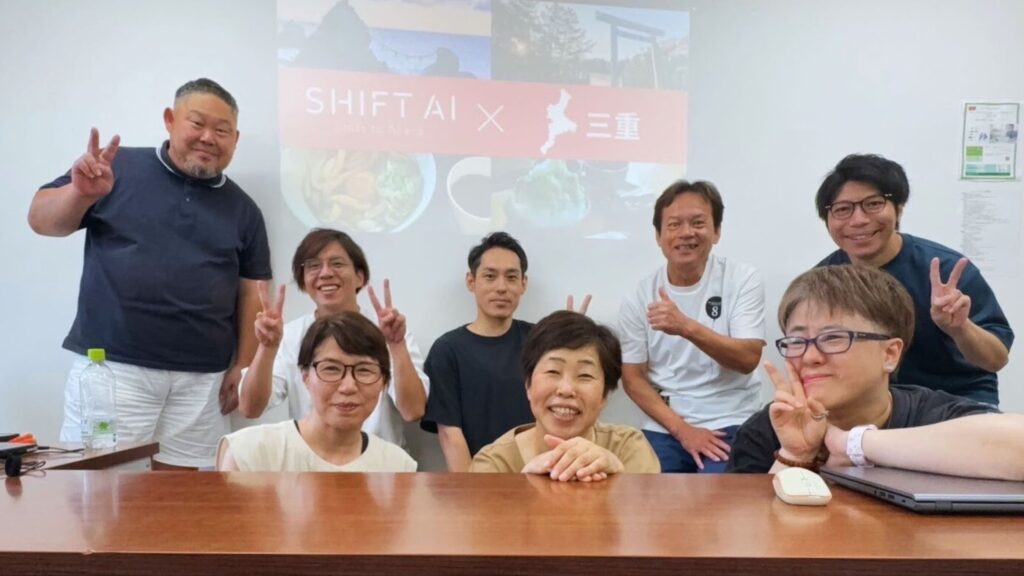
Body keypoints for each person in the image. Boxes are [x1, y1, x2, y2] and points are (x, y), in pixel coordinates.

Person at [28, 78, 271, 470]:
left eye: (222, 130)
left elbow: (251, 292)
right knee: (100, 490)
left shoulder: (244, 210)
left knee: (186, 495)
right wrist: (80, 194)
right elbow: (41, 221)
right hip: (115, 369)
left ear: (235, 139)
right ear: (170, 120)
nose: (208, 138)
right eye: (197, 123)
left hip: (203, 381)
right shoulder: (116, 168)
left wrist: (242, 364)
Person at [728, 265, 1024, 480]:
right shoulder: (770, 428)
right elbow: (751, 533)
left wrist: (852, 444)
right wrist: (794, 455)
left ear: (890, 354)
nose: (810, 356)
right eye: (796, 340)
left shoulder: (932, 415)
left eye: (834, 338)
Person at [815, 154, 1012, 405]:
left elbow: (996, 360)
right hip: (871, 407)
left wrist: (959, 328)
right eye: (843, 209)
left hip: (956, 402)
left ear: (898, 208)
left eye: (873, 204)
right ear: (827, 220)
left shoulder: (946, 271)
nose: (859, 220)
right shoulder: (822, 283)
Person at [619, 180, 766, 473]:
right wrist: (684, 431)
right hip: (667, 425)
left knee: (715, 495)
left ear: (717, 231)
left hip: (731, 419)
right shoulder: (639, 295)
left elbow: (748, 358)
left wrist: (686, 327)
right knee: (646, 491)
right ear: (659, 236)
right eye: (674, 225)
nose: (686, 233)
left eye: (698, 223)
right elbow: (633, 378)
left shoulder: (742, 279)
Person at [237, 228, 427, 447]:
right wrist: (267, 348)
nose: (325, 273)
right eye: (313, 266)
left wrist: (396, 345)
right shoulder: (287, 336)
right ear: (303, 280)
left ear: (360, 277)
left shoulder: (390, 331)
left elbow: (413, 410)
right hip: (311, 460)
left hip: (379, 459)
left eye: (337, 264)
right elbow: (250, 408)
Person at [470, 311, 660, 479]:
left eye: (585, 375)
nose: (566, 389)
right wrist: (524, 486)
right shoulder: (493, 464)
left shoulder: (628, 448)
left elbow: (647, 507)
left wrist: (619, 477)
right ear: (528, 385)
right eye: (553, 371)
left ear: (605, 394)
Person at [218, 313, 416, 472]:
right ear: (305, 376)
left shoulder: (398, 466)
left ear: (383, 381)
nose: (348, 386)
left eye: (364, 370)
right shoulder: (250, 453)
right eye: (331, 369)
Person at [420, 232, 536, 471]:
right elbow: (450, 433)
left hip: (541, 474)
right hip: (478, 479)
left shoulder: (540, 340)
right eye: (490, 276)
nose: (501, 287)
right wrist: (473, 487)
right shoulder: (447, 350)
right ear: (471, 281)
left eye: (511, 277)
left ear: (523, 284)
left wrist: (572, 341)